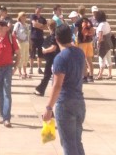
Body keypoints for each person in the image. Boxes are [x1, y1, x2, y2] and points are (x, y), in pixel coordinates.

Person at [43, 23, 87, 155]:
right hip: (79, 101)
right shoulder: (80, 53)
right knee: (76, 141)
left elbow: (57, 85)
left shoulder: (60, 58)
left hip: (65, 103)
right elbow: (83, 72)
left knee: (68, 144)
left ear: (56, 39)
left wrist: (49, 107)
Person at [94, 9, 113, 80]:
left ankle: (100, 75)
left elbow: (100, 36)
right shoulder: (107, 23)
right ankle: (110, 74)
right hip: (108, 43)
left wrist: (98, 43)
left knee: (101, 59)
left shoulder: (101, 25)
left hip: (103, 44)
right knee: (109, 59)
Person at [30, 6, 48, 76]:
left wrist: (39, 25)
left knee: (40, 54)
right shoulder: (33, 16)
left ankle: (39, 68)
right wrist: (41, 26)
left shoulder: (43, 18)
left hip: (40, 37)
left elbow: (46, 27)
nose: (39, 10)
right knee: (32, 53)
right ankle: (31, 68)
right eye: (38, 9)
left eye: (40, 9)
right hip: (33, 37)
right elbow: (34, 24)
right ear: (35, 9)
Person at [13, 12, 30, 78]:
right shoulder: (18, 24)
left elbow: (28, 34)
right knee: (21, 57)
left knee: (26, 57)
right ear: (20, 17)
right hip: (20, 43)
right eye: (23, 16)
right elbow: (14, 33)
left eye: (25, 16)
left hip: (26, 42)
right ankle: (20, 72)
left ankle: (25, 71)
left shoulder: (26, 25)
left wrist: (29, 42)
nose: (24, 17)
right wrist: (18, 39)